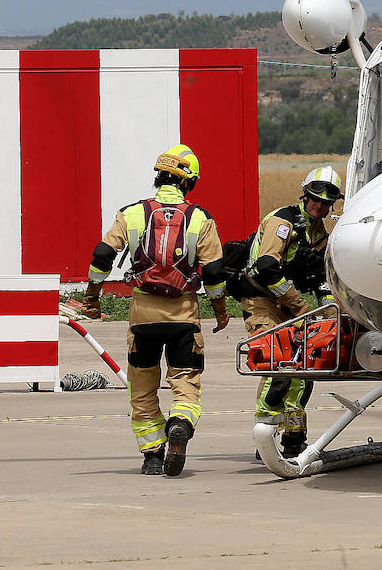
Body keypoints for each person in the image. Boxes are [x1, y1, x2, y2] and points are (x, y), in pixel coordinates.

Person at [82, 145, 226, 477]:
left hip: (142, 317)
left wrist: (92, 296)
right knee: (185, 384)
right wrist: (220, 311)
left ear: (158, 176)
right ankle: (179, 425)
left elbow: (102, 254)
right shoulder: (201, 219)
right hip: (184, 318)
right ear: (188, 182)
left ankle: (151, 455)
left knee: (142, 388)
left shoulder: (131, 214)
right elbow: (215, 274)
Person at [239, 165, 343, 459]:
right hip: (262, 300)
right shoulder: (281, 222)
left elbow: (321, 279)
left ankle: (294, 437)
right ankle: (266, 438)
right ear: (305, 195)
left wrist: (329, 313)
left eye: (326, 204)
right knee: (277, 364)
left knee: (304, 368)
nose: (320, 207)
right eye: (315, 200)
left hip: (291, 304)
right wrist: (300, 306)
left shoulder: (319, 233)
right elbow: (267, 268)